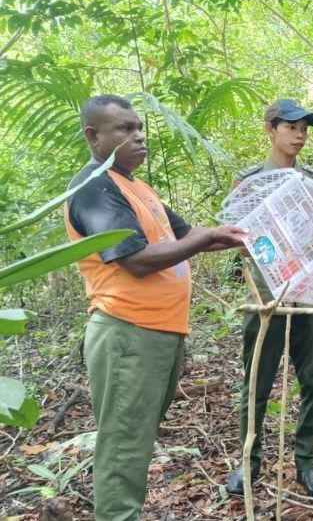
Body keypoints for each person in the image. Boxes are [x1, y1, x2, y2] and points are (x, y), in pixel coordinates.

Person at [64, 94, 247, 520]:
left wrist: (237, 237)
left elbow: (186, 234)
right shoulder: (94, 187)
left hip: (159, 332)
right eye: (124, 129)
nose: (139, 136)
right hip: (128, 332)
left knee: (138, 435)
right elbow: (136, 260)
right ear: (93, 136)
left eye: (139, 127)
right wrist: (204, 240)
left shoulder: (135, 187)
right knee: (125, 442)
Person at [226, 99, 313, 497]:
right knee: (257, 381)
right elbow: (240, 240)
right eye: (291, 127)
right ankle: (249, 462)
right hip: (267, 295)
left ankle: (306, 463)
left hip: (311, 294)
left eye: (304, 128)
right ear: (271, 129)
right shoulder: (250, 181)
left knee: (312, 382)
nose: (299, 135)